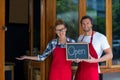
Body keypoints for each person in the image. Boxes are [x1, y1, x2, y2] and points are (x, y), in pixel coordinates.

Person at [74, 15, 113, 80]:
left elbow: (110, 55)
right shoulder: (80, 38)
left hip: (92, 72)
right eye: (83, 24)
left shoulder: (100, 37)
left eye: (87, 23)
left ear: (91, 24)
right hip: (80, 72)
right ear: (81, 25)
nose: (85, 25)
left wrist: (95, 60)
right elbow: (79, 55)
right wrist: (76, 59)